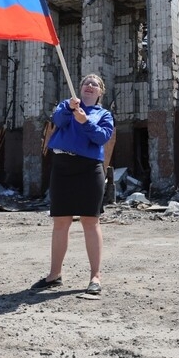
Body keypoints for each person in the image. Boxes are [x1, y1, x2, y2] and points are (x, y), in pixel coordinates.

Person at [31, 73, 114, 296]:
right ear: (80, 87)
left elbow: (102, 138)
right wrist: (69, 108)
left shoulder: (104, 114)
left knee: (90, 221)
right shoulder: (66, 106)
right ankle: (54, 274)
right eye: (86, 82)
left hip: (89, 168)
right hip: (62, 166)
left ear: (100, 92)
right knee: (61, 221)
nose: (90, 85)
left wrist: (85, 122)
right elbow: (57, 121)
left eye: (95, 84)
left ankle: (95, 276)